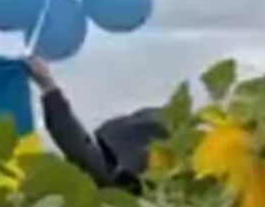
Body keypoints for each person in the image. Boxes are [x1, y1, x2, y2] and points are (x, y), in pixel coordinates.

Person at [25, 58, 166, 193]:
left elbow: (78, 147)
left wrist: (48, 86)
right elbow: (79, 147)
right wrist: (48, 86)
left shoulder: (122, 183)